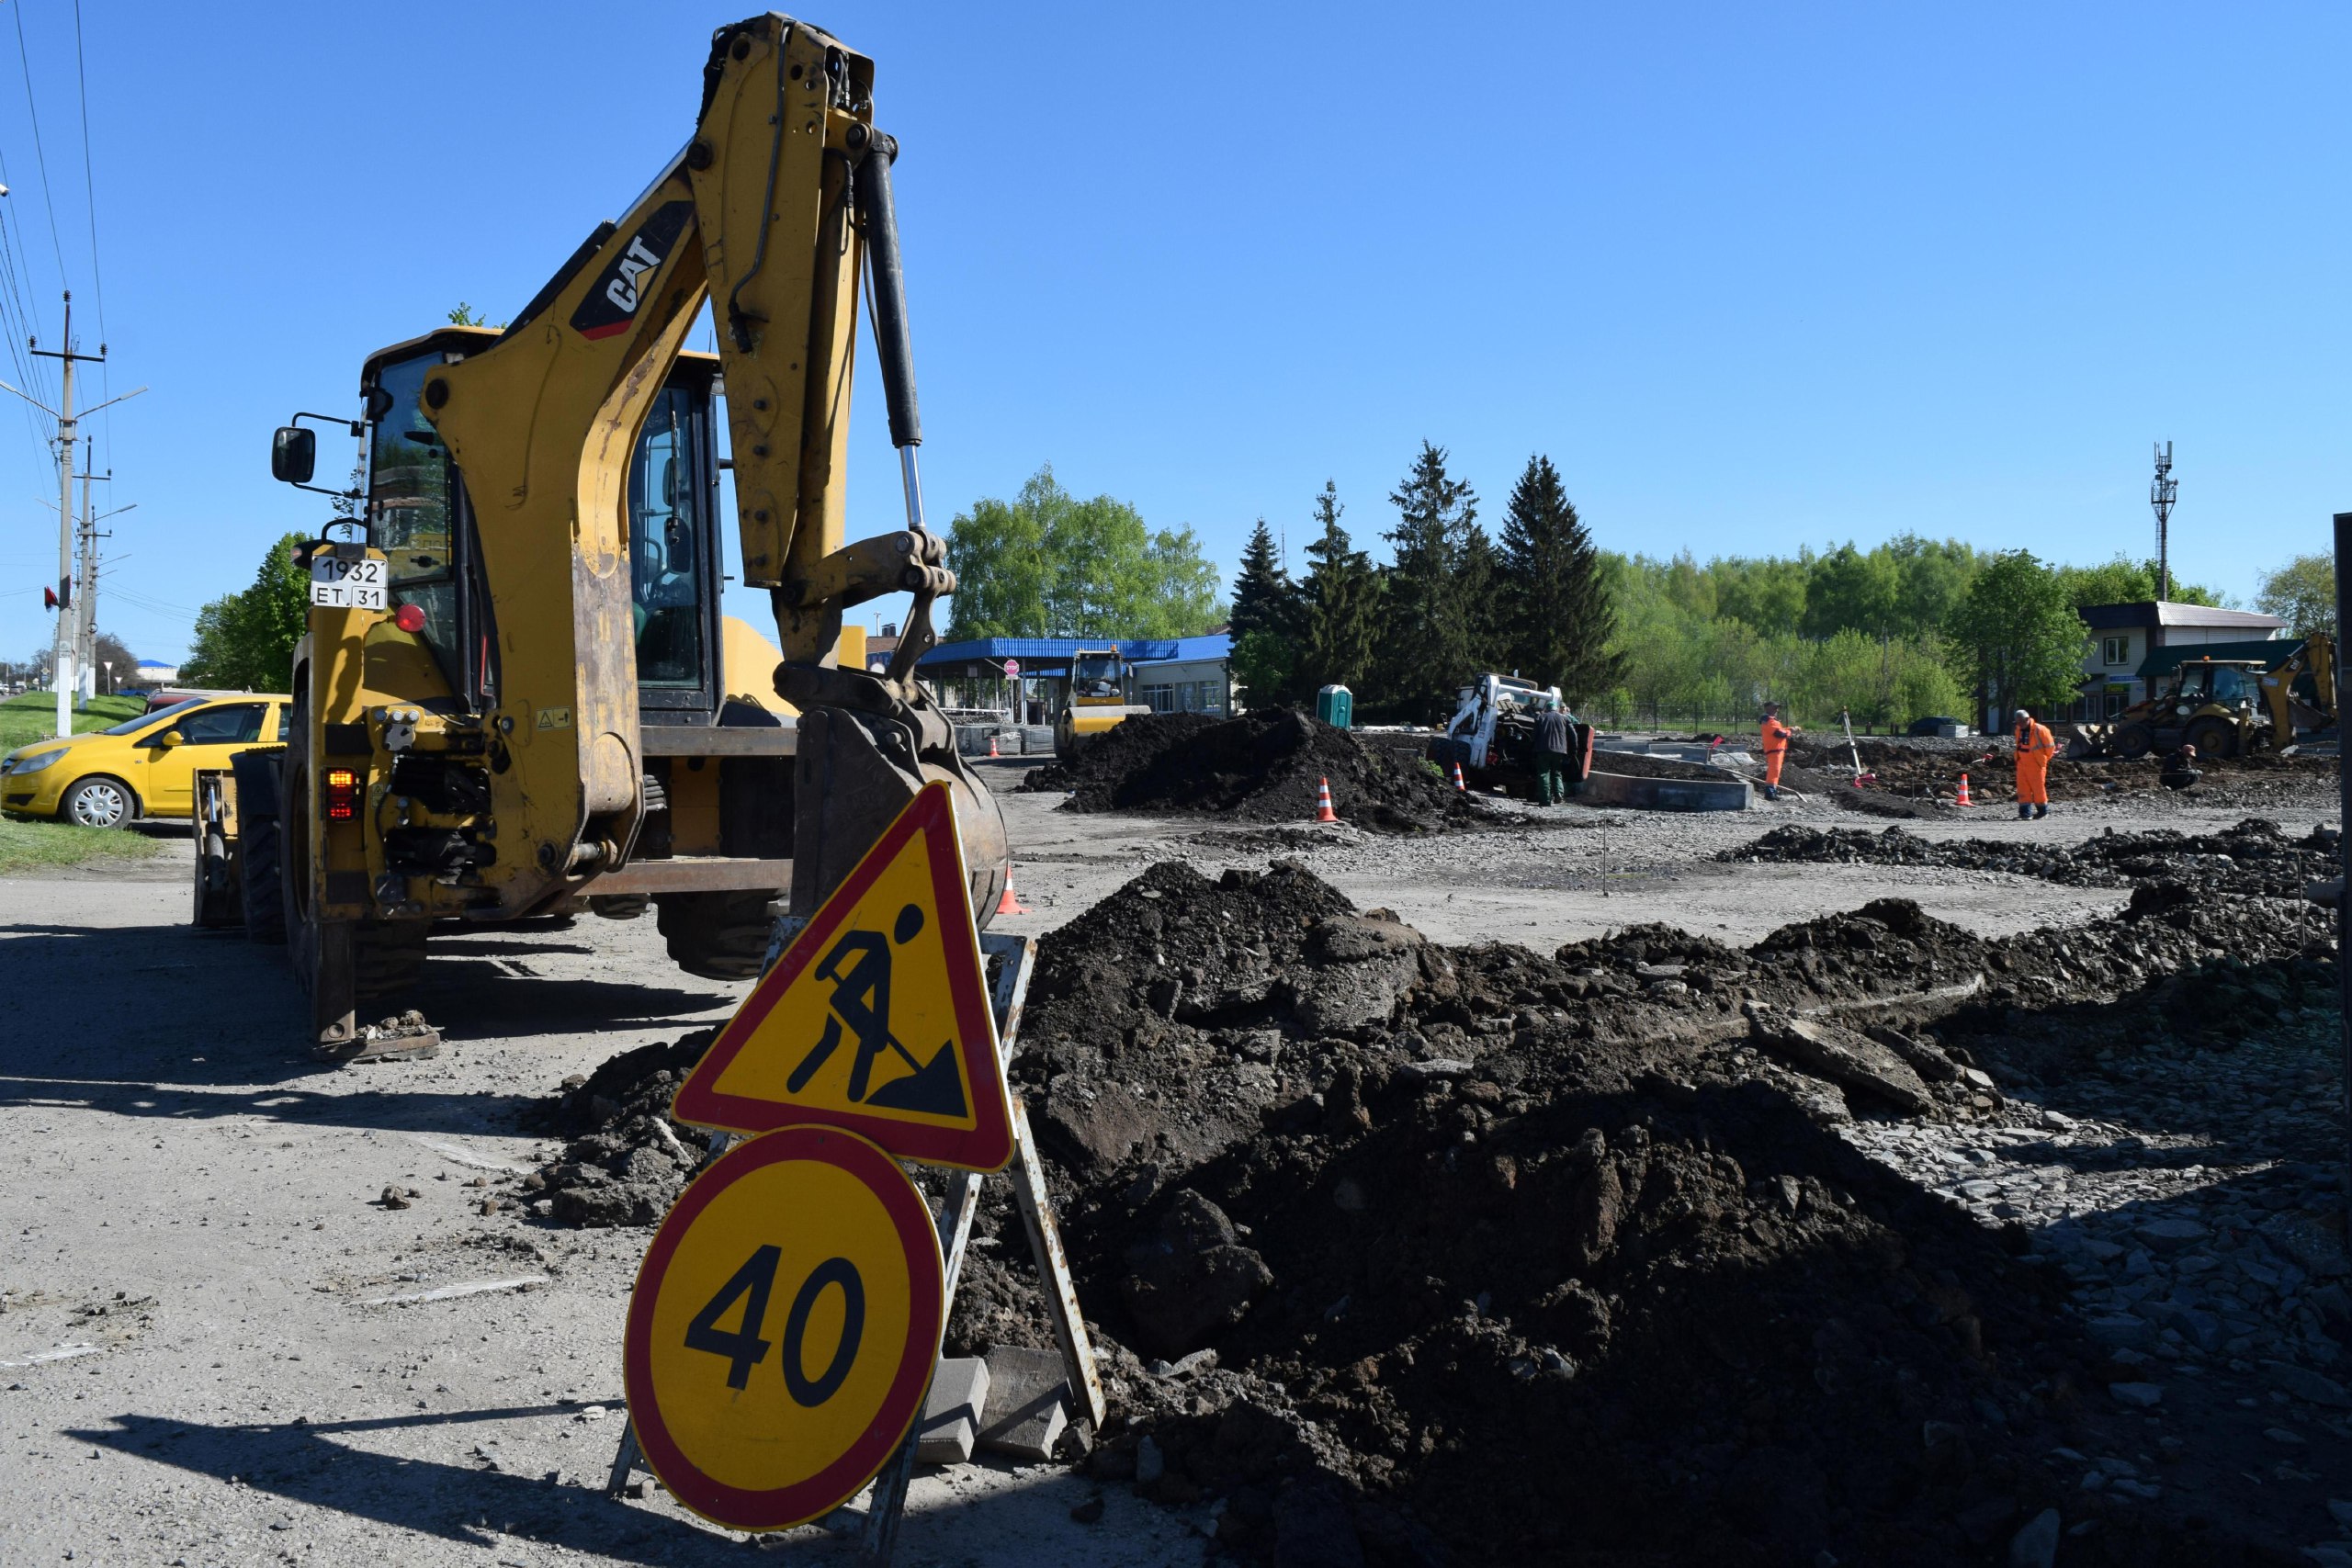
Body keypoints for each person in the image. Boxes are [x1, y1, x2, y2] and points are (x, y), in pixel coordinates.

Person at [2012, 705, 2057, 819]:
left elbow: (2050, 747)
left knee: (2038, 788)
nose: (2019, 724)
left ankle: (2042, 812)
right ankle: (2025, 813)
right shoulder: (2018, 729)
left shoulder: (2040, 729)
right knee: (2023, 788)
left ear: (2027, 719)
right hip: (2022, 762)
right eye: (2017, 722)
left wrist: (2043, 759)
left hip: (2036, 763)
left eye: (2021, 722)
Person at [1532, 704, 1574, 806]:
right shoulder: (1565, 718)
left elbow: (1534, 735)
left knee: (1544, 773)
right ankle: (1559, 793)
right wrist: (1574, 750)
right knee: (1557, 773)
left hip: (1543, 750)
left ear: (1546, 709)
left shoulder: (1541, 717)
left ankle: (1545, 801)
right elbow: (1573, 735)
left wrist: (1532, 747)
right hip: (1560, 751)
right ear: (1556, 709)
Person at [1759, 702, 1798, 801]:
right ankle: (1770, 793)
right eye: (1774, 708)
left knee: (1775, 771)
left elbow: (1779, 730)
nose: (1777, 710)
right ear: (1768, 708)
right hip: (1774, 749)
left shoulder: (1770, 721)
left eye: (1777, 708)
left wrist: (1789, 729)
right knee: (1774, 771)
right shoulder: (1768, 720)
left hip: (1777, 749)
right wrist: (1790, 732)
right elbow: (1778, 734)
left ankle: (1772, 792)